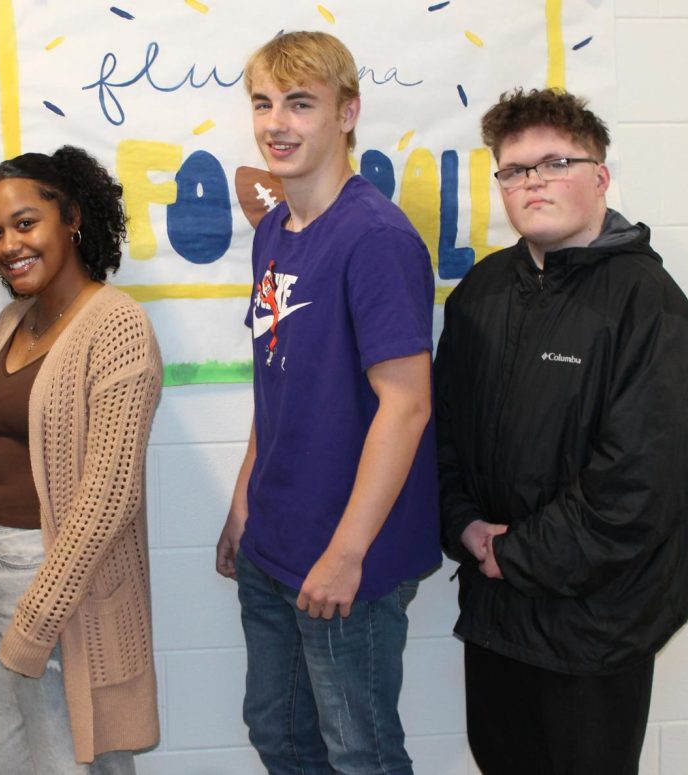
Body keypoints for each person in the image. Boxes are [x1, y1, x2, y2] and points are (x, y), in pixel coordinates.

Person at [434, 87, 688, 775]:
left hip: (597, 628)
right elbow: (440, 435)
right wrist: (465, 526)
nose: (533, 182)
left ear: (601, 177)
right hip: (497, 618)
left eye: (555, 163)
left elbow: (640, 489)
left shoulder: (650, 307)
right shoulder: (481, 293)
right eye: (515, 169)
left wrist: (514, 552)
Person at [215, 31, 439, 775]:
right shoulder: (275, 228)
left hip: (347, 559)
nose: (277, 123)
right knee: (278, 735)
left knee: (361, 754)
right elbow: (274, 374)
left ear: (348, 113)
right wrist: (244, 499)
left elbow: (405, 407)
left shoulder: (375, 238)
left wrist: (347, 554)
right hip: (273, 541)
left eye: (301, 104)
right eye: (263, 103)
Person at [0, 147, 162, 774]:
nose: (9, 244)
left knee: (71, 762)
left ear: (72, 218)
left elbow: (111, 492)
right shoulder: (12, 321)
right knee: (12, 763)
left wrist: (39, 614)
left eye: (24, 222)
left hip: (57, 578)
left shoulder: (116, 325)